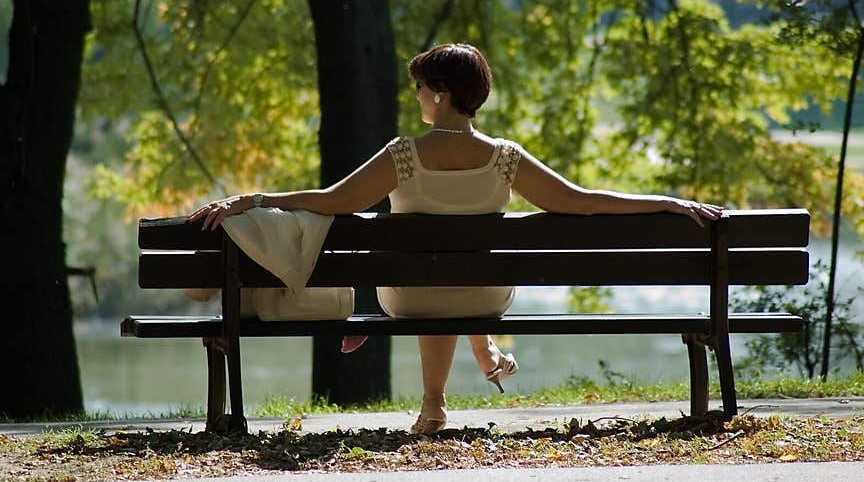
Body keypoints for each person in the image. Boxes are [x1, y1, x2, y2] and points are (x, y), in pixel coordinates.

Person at [189, 42, 723, 435]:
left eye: (421, 88)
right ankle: (477, 351)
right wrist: (666, 202)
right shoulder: (506, 158)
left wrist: (255, 200)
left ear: (440, 94)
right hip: (486, 295)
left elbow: (333, 200)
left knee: (427, 274)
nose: (418, 96)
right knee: (459, 273)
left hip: (409, 295)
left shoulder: (404, 154)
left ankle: (434, 404)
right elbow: (581, 201)